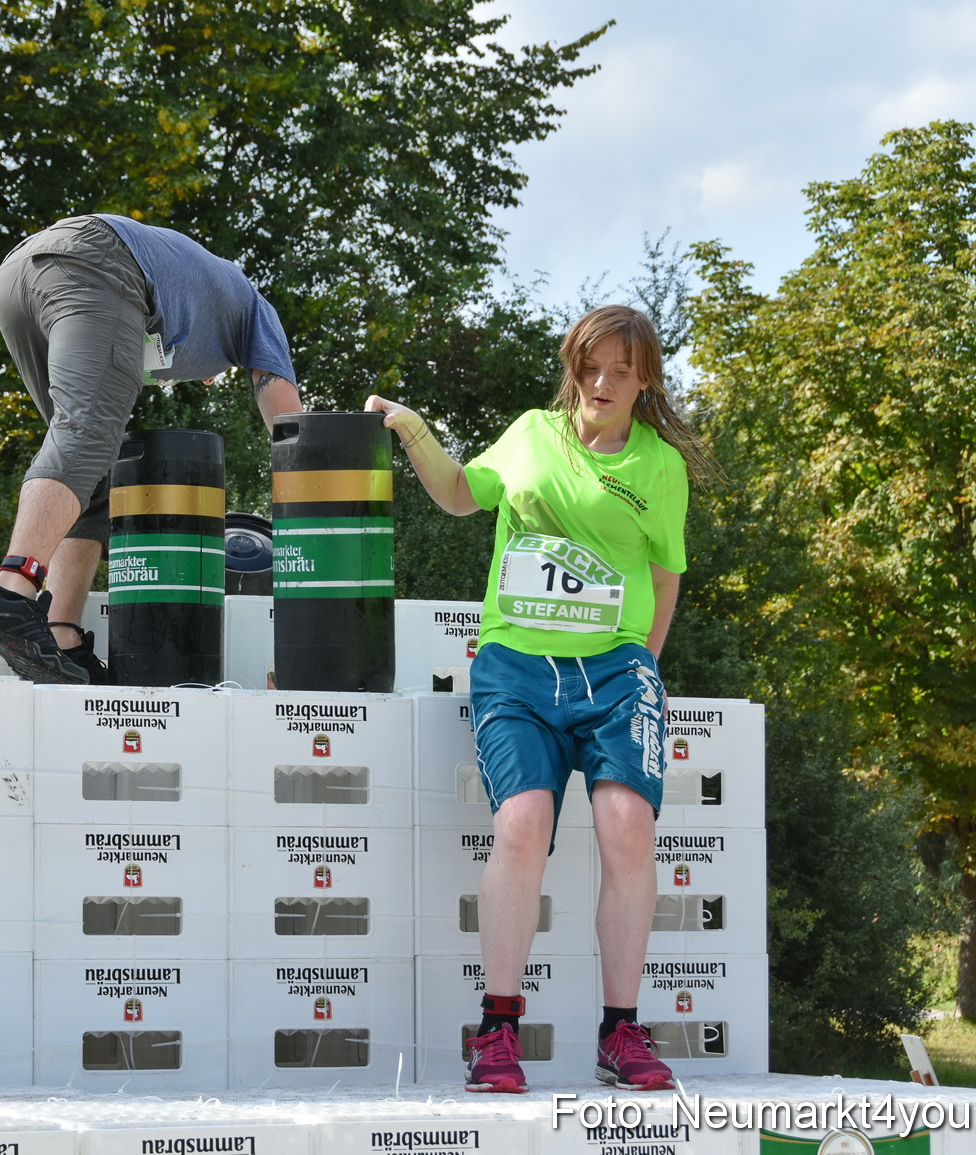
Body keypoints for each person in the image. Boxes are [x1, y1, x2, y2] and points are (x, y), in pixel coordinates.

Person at [367, 305, 713, 1093]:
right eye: (590, 366)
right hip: (517, 665)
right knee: (523, 823)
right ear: (573, 367)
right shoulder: (531, 432)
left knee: (628, 825)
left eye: (620, 371)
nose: (601, 383)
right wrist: (414, 430)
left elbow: (665, 578)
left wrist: (644, 669)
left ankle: (621, 1032)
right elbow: (461, 493)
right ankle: (497, 1031)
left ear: (644, 380)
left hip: (615, 670)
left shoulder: (660, 466)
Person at [0, 214, 303, 683]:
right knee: (85, 439)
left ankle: (60, 636)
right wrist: (309, 504)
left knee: (91, 471)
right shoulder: (255, 311)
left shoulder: (198, 299)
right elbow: (289, 427)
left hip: (19, 275)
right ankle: (11, 594)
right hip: (98, 264)